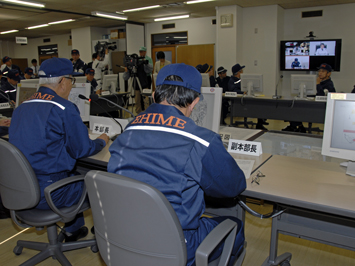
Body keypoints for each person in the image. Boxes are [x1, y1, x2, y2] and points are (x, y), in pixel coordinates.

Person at [108, 63, 246, 266]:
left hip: (126, 235)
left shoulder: (128, 130)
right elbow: (234, 186)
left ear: (154, 94)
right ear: (195, 101)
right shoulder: (201, 140)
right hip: (177, 244)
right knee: (235, 224)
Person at [9, 57, 109, 242]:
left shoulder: (21, 107)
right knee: (103, 181)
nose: (72, 85)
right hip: (51, 193)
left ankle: (73, 230)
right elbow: (82, 150)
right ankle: (106, 236)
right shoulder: (64, 108)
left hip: (22, 190)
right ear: (63, 81)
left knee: (72, 171)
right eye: (72, 80)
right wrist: (102, 141)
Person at [283, 63, 336, 132]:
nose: (320, 73)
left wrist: (318, 84)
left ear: (328, 74)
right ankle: (297, 126)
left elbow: (321, 96)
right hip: (311, 104)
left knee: (297, 109)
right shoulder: (315, 82)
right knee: (292, 105)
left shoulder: (329, 84)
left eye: (323, 71)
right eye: (319, 71)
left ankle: (297, 126)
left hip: (320, 108)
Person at [228, 64, 267, 130]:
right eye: (241, 71)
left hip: (244, 100)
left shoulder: (241, 80)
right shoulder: (232, 80)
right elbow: (233, 90)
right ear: (238, 72)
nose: (243, 72)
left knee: (260, 104)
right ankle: (261, 121)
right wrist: (243, 92)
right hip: (239, 102)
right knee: (256, 106)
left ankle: (260, 122)